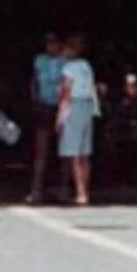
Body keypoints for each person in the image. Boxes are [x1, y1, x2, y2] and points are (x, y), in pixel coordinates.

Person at [54, 35, 101, 207]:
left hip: (74, 106)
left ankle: (80, 191)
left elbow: (66, 93)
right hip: (88, 106)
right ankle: (85, 190)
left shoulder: (69, 68)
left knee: (74, 152)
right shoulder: (86, 66)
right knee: (85, 152)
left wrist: (60, 116)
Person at [27, 31, 67, 202]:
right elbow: (34, 81)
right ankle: (36, 189)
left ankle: (65, 188)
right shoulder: (40, 60)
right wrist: (34, 99)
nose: (51, 46)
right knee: (41, 151)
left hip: (61, 107)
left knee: (65, 150)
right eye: (49, 42)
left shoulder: (66, 62)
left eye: (55, 42)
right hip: (44, 107)